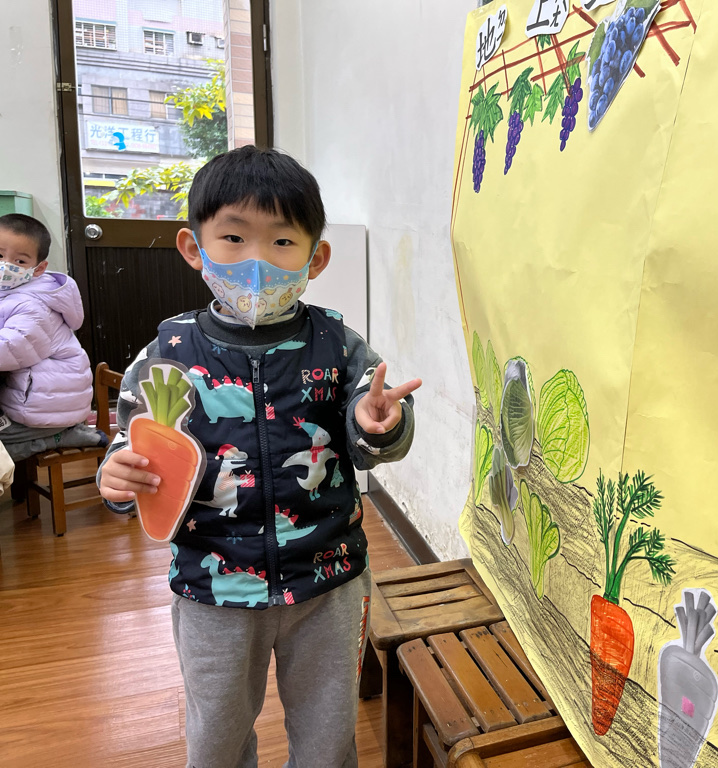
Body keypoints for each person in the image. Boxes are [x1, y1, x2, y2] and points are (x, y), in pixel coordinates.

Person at [97, 146, 421, 768]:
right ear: (194, 248)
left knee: (328, 743)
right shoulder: (168, 351)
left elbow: (372, 432)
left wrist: (379, 422)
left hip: (328, 583)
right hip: (211, 589)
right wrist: (117, 477)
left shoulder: (338, 343)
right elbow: (133, 445)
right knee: (215, 743)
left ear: (315, 257)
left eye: (282, 242)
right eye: (234, 237)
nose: (257, 260)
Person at [0, 213, 107, 463]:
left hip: (48, 409)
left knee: (2, 447)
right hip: (32, 398)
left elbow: (9, 348)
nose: (6, 265)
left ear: (38, 269)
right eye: (0, 255)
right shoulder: (11, 291)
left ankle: (56, 437)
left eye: (19, 261)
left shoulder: (34, 305)